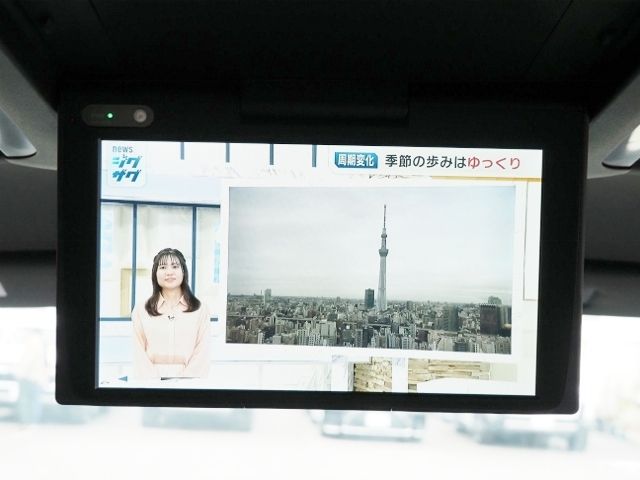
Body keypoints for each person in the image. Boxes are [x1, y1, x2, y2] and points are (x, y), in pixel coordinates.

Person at [132, 248, 210, 380]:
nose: (169, 272)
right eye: (162, 267)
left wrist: (186, 383)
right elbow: (138, 352)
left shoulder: (200, 309)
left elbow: (202, 352)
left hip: (190, 385)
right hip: (150, 384)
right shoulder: (141, 309)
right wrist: (153, 383)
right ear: (155, 274)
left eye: (175, 266)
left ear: (183, 271)